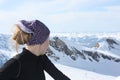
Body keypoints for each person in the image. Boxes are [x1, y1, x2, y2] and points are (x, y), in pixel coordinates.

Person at [0, 20, 70, 80]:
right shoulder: (16, 63)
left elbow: (60, 77)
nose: (48, 43)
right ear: (40, 42)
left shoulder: (41, 58)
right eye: (47, 39)